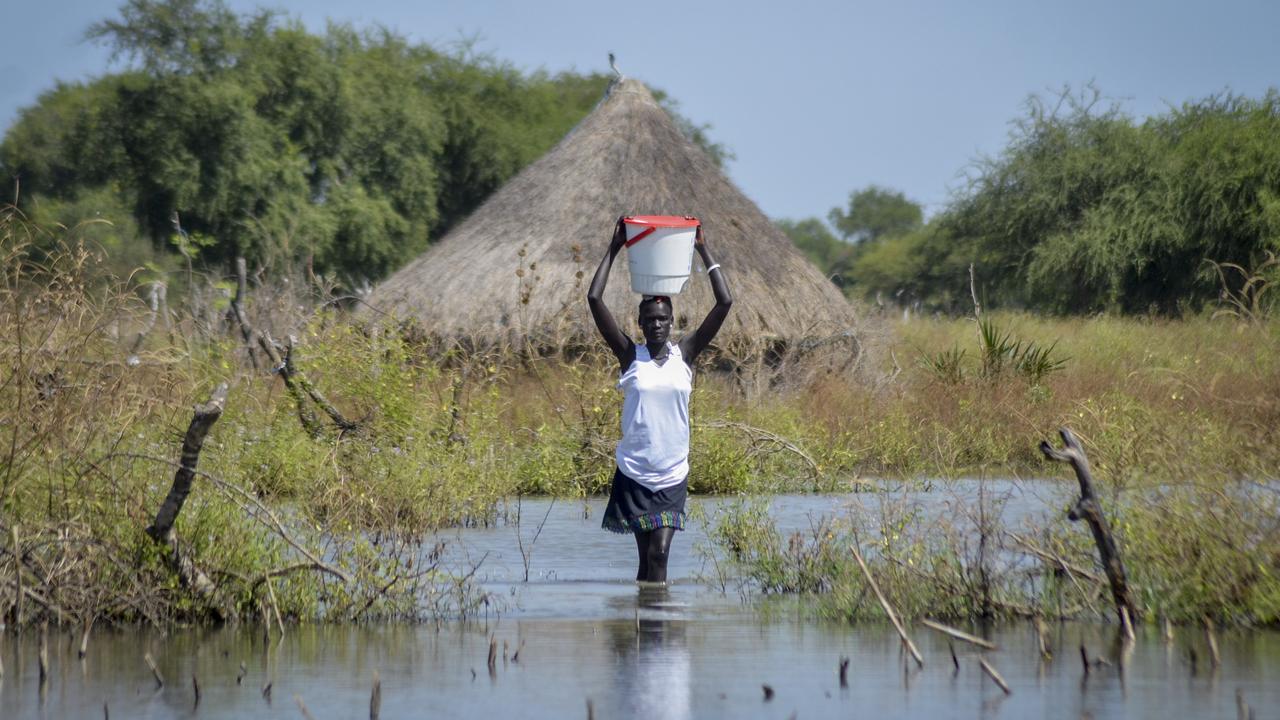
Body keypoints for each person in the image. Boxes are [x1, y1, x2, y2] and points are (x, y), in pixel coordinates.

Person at [587, 217, 733, 583]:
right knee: (645, 561)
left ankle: (661, 634)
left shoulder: (686, 354)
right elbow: (593, 298)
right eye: (650, 319)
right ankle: (647, 627)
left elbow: (725, 301)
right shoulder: (629, 356)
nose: (656, 325)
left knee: (661, 552)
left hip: (671, 472)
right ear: (640, 322)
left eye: (663, 319)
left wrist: (702, 248)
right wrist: (614, 246)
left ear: (671, 322)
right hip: (635, 470)